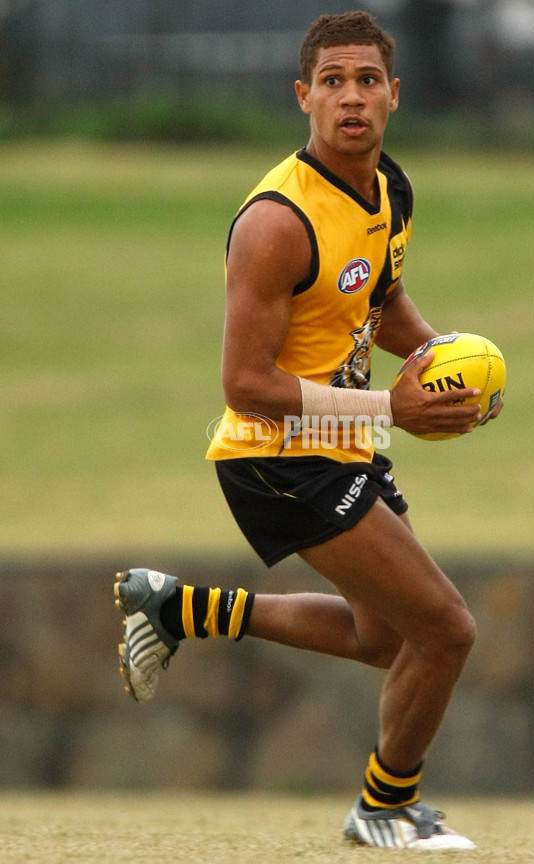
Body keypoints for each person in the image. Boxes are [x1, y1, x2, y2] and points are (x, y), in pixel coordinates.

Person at [114, 11, 502, 851]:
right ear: (303, 97)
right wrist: (391, 410)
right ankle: (385, 807)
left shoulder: (388, 187)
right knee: (447, 630)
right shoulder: (274, 223)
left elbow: (382, 301)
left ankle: (180, 608)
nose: (351, 98)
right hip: (273, 457)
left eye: (367, 81)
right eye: (333, 82)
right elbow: (245, 386)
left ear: (395, 95)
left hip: (339, 445)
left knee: (385, 636)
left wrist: (447, 365)